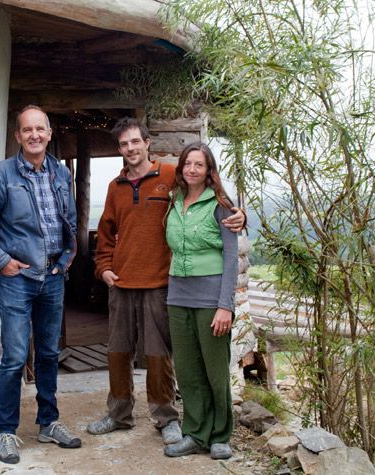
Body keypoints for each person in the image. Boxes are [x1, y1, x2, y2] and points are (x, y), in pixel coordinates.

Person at [88, 118, 245, 446]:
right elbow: (105, 233)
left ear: (148, 143)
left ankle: (165, 416)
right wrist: (104, 268)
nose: (130, 148)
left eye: (135, 142)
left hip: (161, 282)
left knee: (158, 354)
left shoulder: (171, 175)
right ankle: (118, 413)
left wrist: (236, 212)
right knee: (117, 351)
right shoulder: (115, 187)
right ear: (120, 149)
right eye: (124, 144)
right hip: (122, 281)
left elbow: (208, 187)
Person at [0, 105, 81, 465]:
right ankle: (6, 431)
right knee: (15, 358)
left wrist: (66, 259)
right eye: (27, 130)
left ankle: (49, 422)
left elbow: (70, 222)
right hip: (18, 280)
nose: (34, 135)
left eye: (40, 129)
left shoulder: (61, 173)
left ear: (49, 134)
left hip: (53, 279)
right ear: (18, 136)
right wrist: (3, 262)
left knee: (48, 355)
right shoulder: (1, 176)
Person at [163, 142, 239, 460]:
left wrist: (226, 305)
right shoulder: (174, 200)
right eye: (187, 164)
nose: (192, 169)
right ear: (181, 168)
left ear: (209, 170)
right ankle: (194, 432)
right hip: (178, 297)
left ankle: (220, 435)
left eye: (199, 164)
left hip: (211, 300)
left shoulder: (221, 203)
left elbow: (232, 257)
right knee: (188, 371)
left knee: (215, 370)